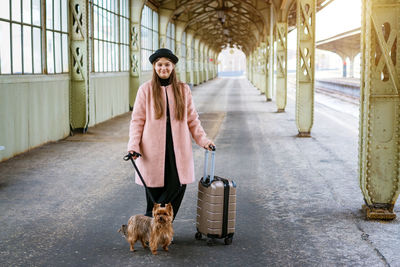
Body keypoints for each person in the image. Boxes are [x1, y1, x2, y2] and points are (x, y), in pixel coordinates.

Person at [127, 48, 215, 220]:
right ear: (154, 67)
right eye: (159, 65)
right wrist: (133, 145)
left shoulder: (183, 90)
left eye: (167, 64)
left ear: (173, 67)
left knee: (177, 185)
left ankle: (150, 223)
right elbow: (137, 120)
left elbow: (192, 119)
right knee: (153, 189)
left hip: (177, 148)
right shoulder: (145, 90)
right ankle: (155, 227)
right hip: (151, 149)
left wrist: (203, 140)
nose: (163, 68)